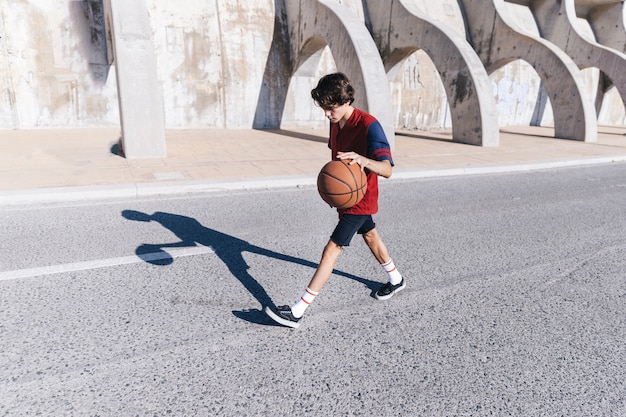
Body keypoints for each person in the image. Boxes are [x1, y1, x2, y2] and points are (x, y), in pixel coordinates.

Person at [265, 72, 405, 329]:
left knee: (332, 250)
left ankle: (297, 311)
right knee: (371, 236)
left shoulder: (368, 125)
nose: (327, 114)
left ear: (346, 101)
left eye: (331, 109)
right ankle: (396, 279)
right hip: (348, 197)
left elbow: (387, 169)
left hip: (360, 199)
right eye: (324, 109)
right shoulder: (335, 121)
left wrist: (364, 160)